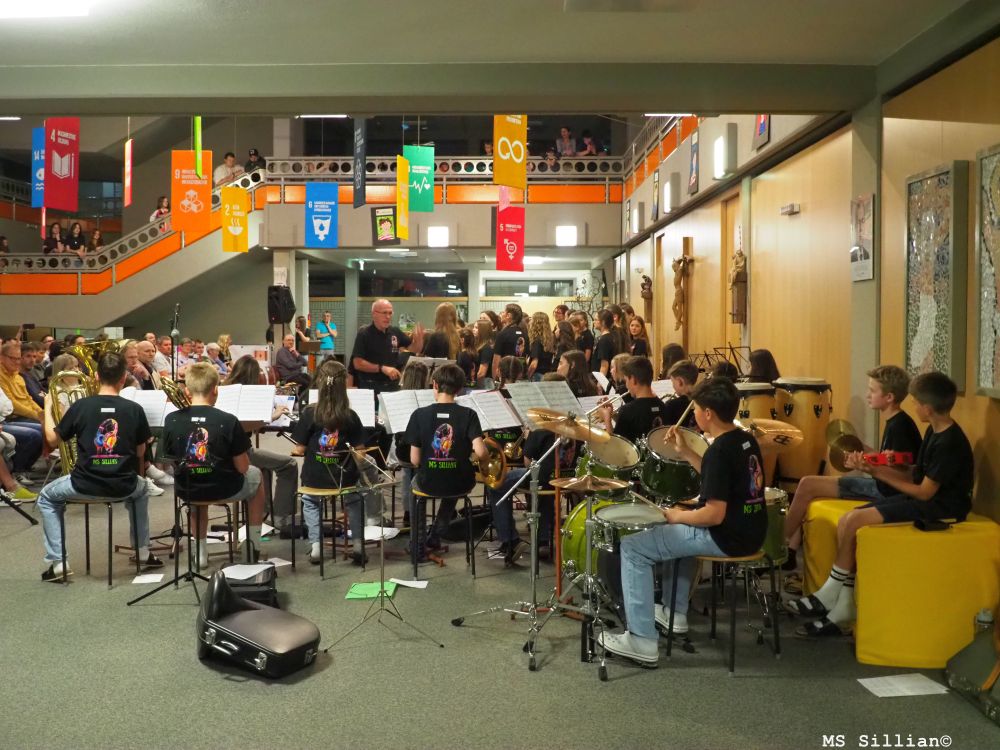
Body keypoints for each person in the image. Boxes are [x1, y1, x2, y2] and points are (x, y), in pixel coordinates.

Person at [788, 371, 974, 638]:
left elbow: (924, 493)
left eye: (916, 402)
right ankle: (842, 604)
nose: (913, 405)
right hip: (927, 499)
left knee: (854, 520)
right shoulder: (934, 431)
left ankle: (830, 594)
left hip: (942, 509)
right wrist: (882, 463)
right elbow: (915, 473)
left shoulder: (949, 442)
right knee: (848, 519)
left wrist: (876, 471)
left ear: (928, 408)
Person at [599, 377, 767, 665]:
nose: (694, 413)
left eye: (696, 408)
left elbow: (713, 515)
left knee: (634, 548)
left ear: (708, 414)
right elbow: (719, 479)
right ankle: (674, 613)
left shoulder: (718, 451)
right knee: (678, 529)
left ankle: (641, 640)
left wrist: (677, 515)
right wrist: (686, 452)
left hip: (725, 536)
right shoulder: (744, 440)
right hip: (752, 531)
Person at [781, 365, 922, 573]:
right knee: (807, 484)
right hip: (881, 486)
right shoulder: (896, 422)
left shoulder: (901, 427)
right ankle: (789, 550)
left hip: (887, 493)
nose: (867, 395)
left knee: (808, 485)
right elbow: (891, 461)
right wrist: (861, 448)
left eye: (872, 391)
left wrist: (866, 465)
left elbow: (905, 475)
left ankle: (779, 547)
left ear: (889, 397)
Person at [36, 352, 162, 581]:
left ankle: (58, 562)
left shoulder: (81, 406)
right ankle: (143, 553)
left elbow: (53, 440)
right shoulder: (134, 409)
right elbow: (140, 453)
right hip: (124, 485)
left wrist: (48, 406)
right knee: (142, 489)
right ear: (123, 378)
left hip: (84, 484)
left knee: (46, 497)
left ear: (95, 376)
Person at [160, 363, 264, 568]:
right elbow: (243, 468)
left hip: (188, 489)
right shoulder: (228, 420)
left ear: (187, 391)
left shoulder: (171, 419)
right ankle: (253, 545)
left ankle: (200, 553)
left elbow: (171, 460)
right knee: (256, 475)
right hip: (225, 488)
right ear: (216, 389)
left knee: (194, 485)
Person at [290, 359, 371, 565]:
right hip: (344, 478)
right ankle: (358, 545)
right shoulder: (350, 416)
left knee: (310, 500)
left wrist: (300, 450)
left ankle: (316, 547)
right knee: (355, 499)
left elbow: (299, 449)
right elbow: (360, 453)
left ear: (320, 383)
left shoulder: (310, 413)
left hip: (315, 478)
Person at [404, 363, 488, 559]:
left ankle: (418, 546)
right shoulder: (469, 414)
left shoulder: (419, 415)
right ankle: (435, 536)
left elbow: (414, 460)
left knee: (415, 488)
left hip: (429, 482)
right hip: (461, 483)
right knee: (454, 483)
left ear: (435, 384)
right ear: (459, 389)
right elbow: (481, 452)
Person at [351, 299, 425, 395]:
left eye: (390, 313)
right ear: (374, 314)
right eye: (384, 313)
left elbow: (414, 349)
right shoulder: (364, 334)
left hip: (392, 386)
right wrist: (382, 368)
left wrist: (419, 340)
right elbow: (357, 363)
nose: (388, 317)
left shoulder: (395, 332)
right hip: (370, 386)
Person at [599, 356, 665, 444]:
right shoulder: (663, 406)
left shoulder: (627, 411)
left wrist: (607, 418)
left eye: (626, 380)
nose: (626, 385)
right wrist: (613, 415)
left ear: (633, 380)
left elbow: (615, 446)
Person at [491, 303, 528, 380]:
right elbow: (526, 358)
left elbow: (496, 359)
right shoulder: (525, 334)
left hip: (506, 376)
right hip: (520, 375)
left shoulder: (502, 334)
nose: (501, 314)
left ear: (508, 315)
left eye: (503, 312)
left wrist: (495, 379)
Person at [662, 359, 700, 429]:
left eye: (673, 382)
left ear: (680, 382)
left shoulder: (671, 405)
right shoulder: (701, 402)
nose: (673, 386)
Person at [275, 333, 310, 397]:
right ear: (283, 341)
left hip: (297, 375)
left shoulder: (293, 351)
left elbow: (305, 363)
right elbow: (290, 365)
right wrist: (300, 363)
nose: (291, 342)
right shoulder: (281, 351)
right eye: (288, 340)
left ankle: (305, 399)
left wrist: (297, 355)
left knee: (312, 380)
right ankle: (301, 399)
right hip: (288, 377)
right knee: (306, 383)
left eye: (292, 340)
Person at [527, 312, 555, 381]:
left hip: (537, 375)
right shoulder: (549, 340)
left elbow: (534, 364)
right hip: (546, 374)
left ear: (536, 323)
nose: (530, 322)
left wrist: (528, 377)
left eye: (531, 319)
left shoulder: (537, 341)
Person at [591, 309, 619, 377]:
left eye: (596, 319)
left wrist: (600, 382)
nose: (594, 322)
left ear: (603, 322)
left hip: (602, 377)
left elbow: (604, 365)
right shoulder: (608, 337)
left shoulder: (604, 340)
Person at [473, 320, 495, 387]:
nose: (473, 329)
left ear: (483, 331)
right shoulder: (478, 346)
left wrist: (474, 384)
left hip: (484, 384)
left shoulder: (486, 348)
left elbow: (482, 373)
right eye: (474, 327)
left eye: (476, 328)